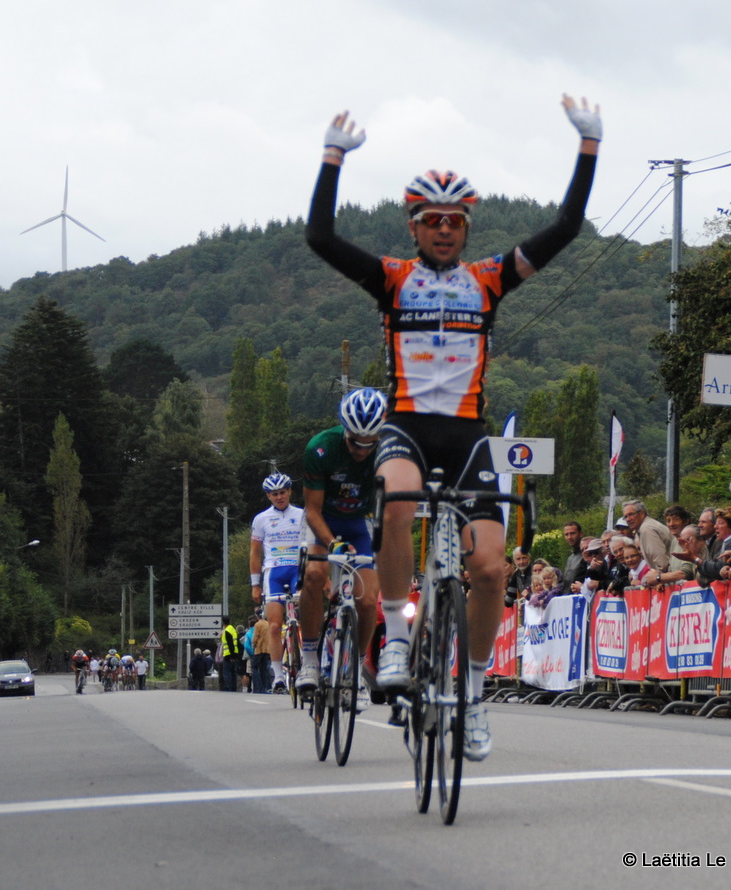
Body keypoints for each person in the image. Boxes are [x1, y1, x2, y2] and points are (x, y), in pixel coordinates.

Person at [306, 94, 600, 762]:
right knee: (400, 503)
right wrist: (332, 159)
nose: (443, 230)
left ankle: (471, 689)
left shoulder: (490, 280)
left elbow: (566, 228)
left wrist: (588, 150)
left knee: (492, 568)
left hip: (468, 435)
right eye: (431, 221)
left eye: (454, 221)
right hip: (408, 425)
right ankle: (399, 643)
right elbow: (320, 239)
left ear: (468, 225)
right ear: (414, 226)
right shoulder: (392, 279)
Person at [296, 388, 385, 715]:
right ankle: (308, 660)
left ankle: (358, 670)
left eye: (369, 443)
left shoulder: (387, 450)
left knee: (366, 600)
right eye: (354, 442)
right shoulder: (321, 448)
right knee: (314, 575)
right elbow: (312, 510)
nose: (362, 450)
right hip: (323, 522)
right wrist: (331, 544)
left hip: (359, 524)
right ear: (344, 432)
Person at [250, 472, 304, 693]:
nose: (279, 497)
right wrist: (255, 584)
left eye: (282, 492)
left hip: (299, 570)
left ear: (290, 491)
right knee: (274, 626)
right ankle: (278, 677)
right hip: (273, 572)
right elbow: (254, 553)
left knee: (307, 619)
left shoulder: (303, 514)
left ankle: (309, 663)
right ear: (268, 496)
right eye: (274, 494)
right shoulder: (261, 519)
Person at [621, 500, 672, 573]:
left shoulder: (646, 529)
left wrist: (653, 578)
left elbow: (662, 564)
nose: (628, 519)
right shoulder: (646, 526)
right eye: (625, 517)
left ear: (642, 513)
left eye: (631, 514)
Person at [560, 521, 587, 593]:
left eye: (572, 533)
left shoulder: (587, 555)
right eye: (566, 534)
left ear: (581, 534)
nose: (569, 537)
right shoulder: (570, 558)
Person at [219, 616, 239, 692]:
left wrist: (231, 656)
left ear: (223, 622)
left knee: (227, 673)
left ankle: (228, 688)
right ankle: (233, 687)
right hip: (234, 653)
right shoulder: (233, 629)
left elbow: (230, 644)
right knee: (233, 673)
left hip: (228, 654)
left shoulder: (226, 631)